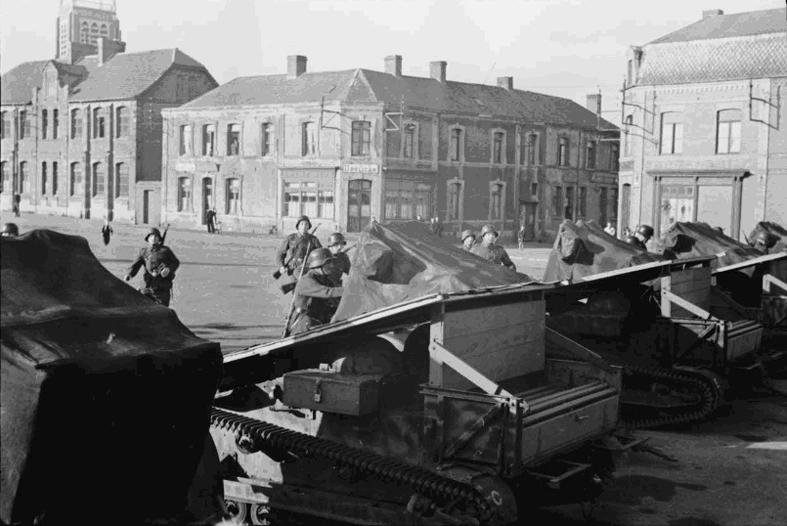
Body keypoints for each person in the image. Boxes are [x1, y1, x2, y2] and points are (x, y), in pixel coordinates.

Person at [286, 248, 344, 335]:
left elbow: (337, 299)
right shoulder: (306, 280)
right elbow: (327, 292)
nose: (332, 266)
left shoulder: (326, 280)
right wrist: (349, 290)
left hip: (319, 320)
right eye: (328, 263)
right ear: (318, 265)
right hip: (303, 325)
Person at [125, 227, 180, 307]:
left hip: (162, 288)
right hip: (147, 287)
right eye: (151, 236)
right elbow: (136, 264)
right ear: (148, 238)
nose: (154, 238)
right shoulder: (144, 252)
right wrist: (129, 274)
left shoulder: (166, 251)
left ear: (159, 239)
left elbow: (175, 262)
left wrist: (168, 269)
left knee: (161, 312)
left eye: (156, 236)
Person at [275, 215, 321, 279]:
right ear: (298, 226)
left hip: (307, 269)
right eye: (302, 224)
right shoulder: (291, 238)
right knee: (294, 287)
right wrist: (281, 266)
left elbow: (320, 254)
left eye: (306, 224)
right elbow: (280, 253)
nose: (304, 226)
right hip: (292, 268)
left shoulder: (313, 239)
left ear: (309, 227)